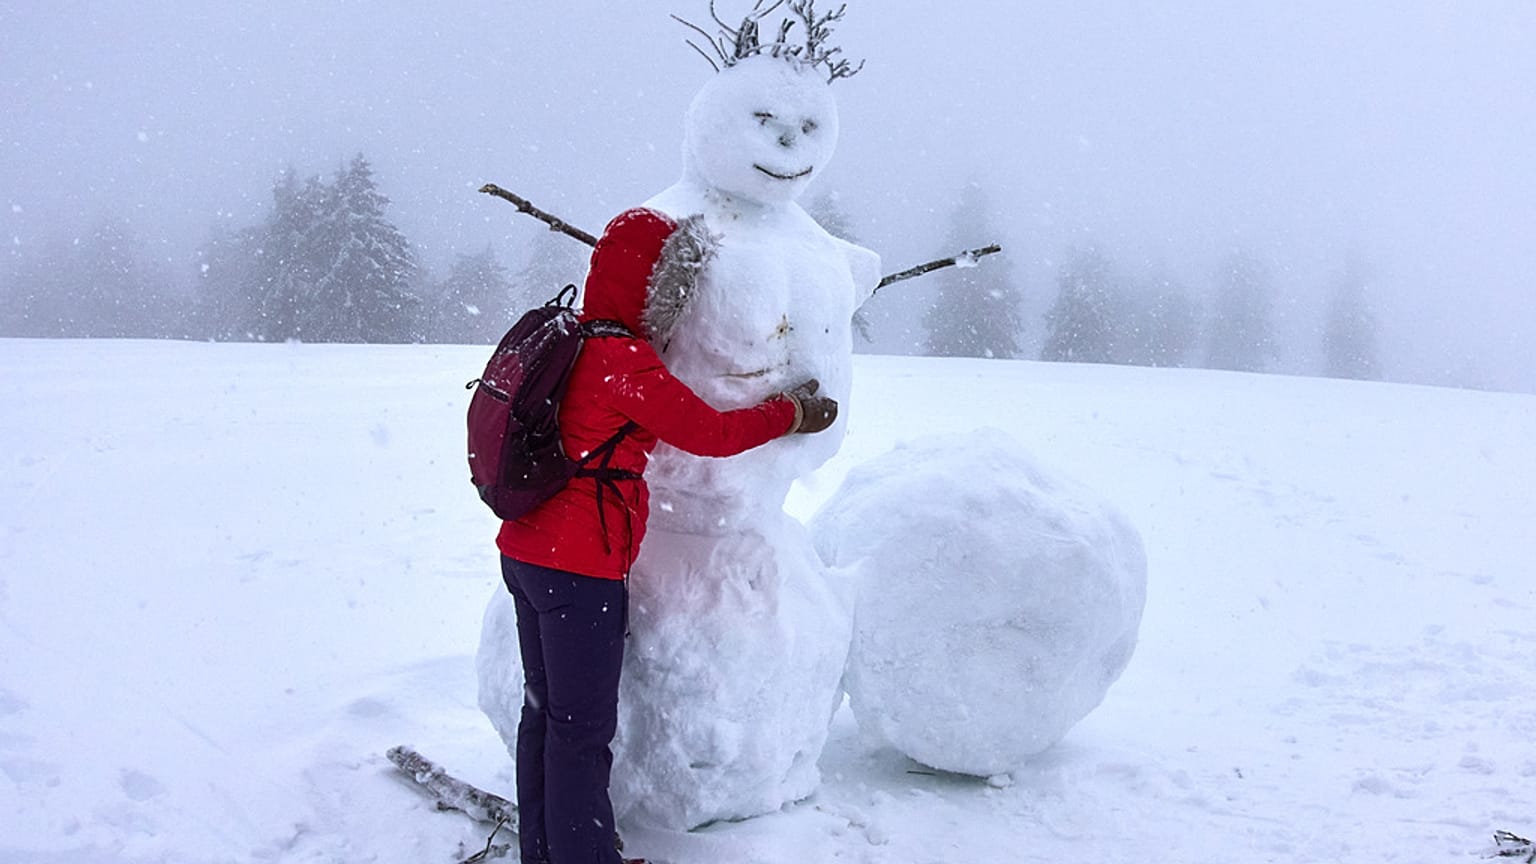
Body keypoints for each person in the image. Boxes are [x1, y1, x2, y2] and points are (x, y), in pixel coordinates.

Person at [494, 207, 837, 864]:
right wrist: (791, 410)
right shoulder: (619, 360)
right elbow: (709, 433)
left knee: (544, 714)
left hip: (527, 553)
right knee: (582, 728)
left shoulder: (571, 341)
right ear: (653, 285)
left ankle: (545, 849)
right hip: (578, 571)